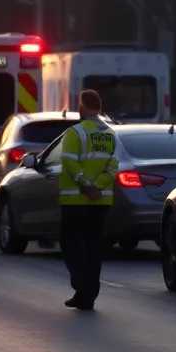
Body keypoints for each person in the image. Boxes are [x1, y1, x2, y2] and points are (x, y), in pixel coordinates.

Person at [58, 89, 119, 310]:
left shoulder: (75, 133)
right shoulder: (110, 133)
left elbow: (69, 163)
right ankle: (87, 296)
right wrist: (99, 186)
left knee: (70, 243)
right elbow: (113, 165)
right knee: (93, 248)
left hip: (76, 200)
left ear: (82, 107)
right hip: (100, 201)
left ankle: (82, 286)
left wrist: (86, 185)